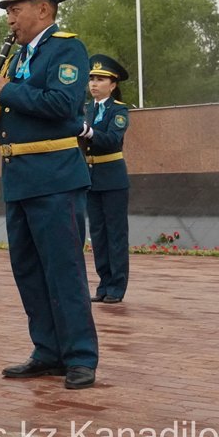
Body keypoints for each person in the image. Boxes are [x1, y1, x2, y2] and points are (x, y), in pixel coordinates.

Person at [0, 0, 98, 390]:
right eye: (8, 10)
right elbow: (14, 119)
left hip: (55, 178)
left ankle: (80, 356)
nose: (9, 18)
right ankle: (47, 350)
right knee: (28, 270)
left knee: (63, 270)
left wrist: (5, 89)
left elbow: (62, 105)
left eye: (15, 8)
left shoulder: (66, 49)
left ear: (43, 9)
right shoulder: (20, 56)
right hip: (20, 178)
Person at [83, 55, 131, 304]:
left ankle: (117, 287)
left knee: (115, 234)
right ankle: (104, 283)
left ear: (112, 85)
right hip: (91, 178)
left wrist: (89, 132)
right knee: (98, 235)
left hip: (112, 178)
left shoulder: (118, 110)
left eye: (100, 79)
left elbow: (112, 139)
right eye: (92, 78)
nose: (94, 83)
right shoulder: (86, 109)